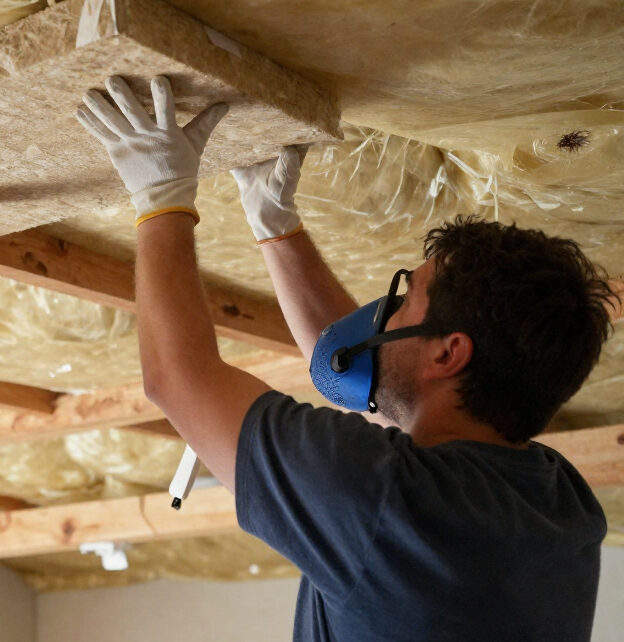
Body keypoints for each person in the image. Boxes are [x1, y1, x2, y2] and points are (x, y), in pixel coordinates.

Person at [77, 75, 618, 641]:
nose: (388, 312)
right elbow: (359, 379)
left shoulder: (388, 500)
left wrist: (160, 196)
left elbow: (178, 379)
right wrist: (275, 226)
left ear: (449, 353)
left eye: (408, 302)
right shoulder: (555, 506)